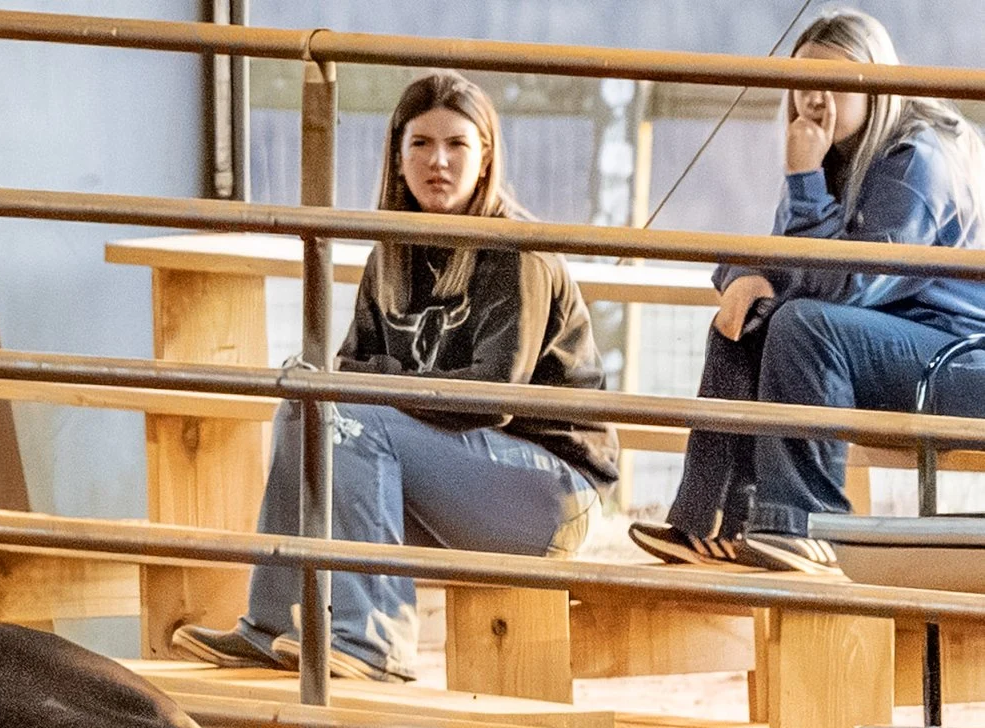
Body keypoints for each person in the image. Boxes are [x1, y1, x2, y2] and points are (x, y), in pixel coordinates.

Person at [171, 71, 616, 685]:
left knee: (351, 416)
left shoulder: (518, 250)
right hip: (454, 481)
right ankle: (272, 622)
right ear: (397, 155)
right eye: (421, 144)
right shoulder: (393, 253)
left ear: (485, 157)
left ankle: (375, 641)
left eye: (458, 144)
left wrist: (376, 383)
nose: (439, 162)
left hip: (551, 494)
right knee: (304, 405)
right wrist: (365, 383)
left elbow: (492, 397)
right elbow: (348, 369)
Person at [630, 8, 985, 574]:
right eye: (802, 81)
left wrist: (802, 179)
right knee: (753, 316)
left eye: (837, 82)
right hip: (891, 352)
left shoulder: (919, 158)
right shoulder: (835, 154)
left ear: (877, 84)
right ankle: (715, 523)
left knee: (805, 324)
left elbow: (847, 286)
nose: (815, 97)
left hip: (959, 362)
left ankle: (805, 528)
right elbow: (784, 261)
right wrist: (738, 279)